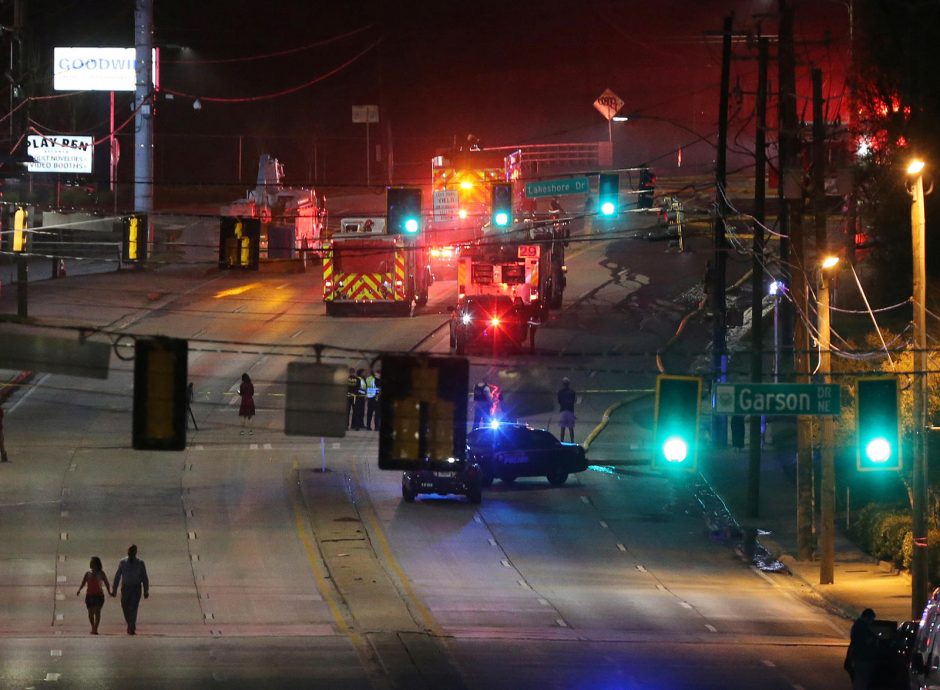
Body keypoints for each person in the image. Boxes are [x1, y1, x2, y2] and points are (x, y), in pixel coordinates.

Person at [112, 544, 149, 635]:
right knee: (124, 606)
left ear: (135, 552)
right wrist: (114, 589)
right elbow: (117, 576)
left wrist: (146, 590)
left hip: (136, 587)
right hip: (125, 587)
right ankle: (130, 622)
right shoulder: (122, 562)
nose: (130, 553)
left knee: (133, 607)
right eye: (129, 551)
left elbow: (144, 577)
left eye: (132, 551)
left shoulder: (140, 563)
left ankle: (131, 625)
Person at [76, 556, 111, 634]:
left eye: (92, 562)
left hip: (99, 595)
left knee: (97, 612)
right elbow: (83, 582)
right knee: (90, 613)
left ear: (96, 564)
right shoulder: (88, 573)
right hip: (89, 595)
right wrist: (79, 590)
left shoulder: (101, 573)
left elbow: (106, 583)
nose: (90, 563)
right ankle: (92, 626)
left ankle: (95, 628)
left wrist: (109, 592)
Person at [847, 608, 878, 689]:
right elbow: (864, 642)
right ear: (867, 617)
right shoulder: (862, 627)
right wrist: (873, 640)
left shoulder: (858, 625)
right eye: (871, 619)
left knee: (859, 679)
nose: (871, 622)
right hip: (862, 658)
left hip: (859, 656)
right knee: (862, 680)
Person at [558, 378, 577, 442]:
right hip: (570, 411)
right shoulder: (572, 392)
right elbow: (574, 401)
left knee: (562, 428)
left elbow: (559, 401)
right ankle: (572, 441)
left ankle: (562, 442)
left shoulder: (560, 392)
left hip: (563, 411)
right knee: (571, 428)